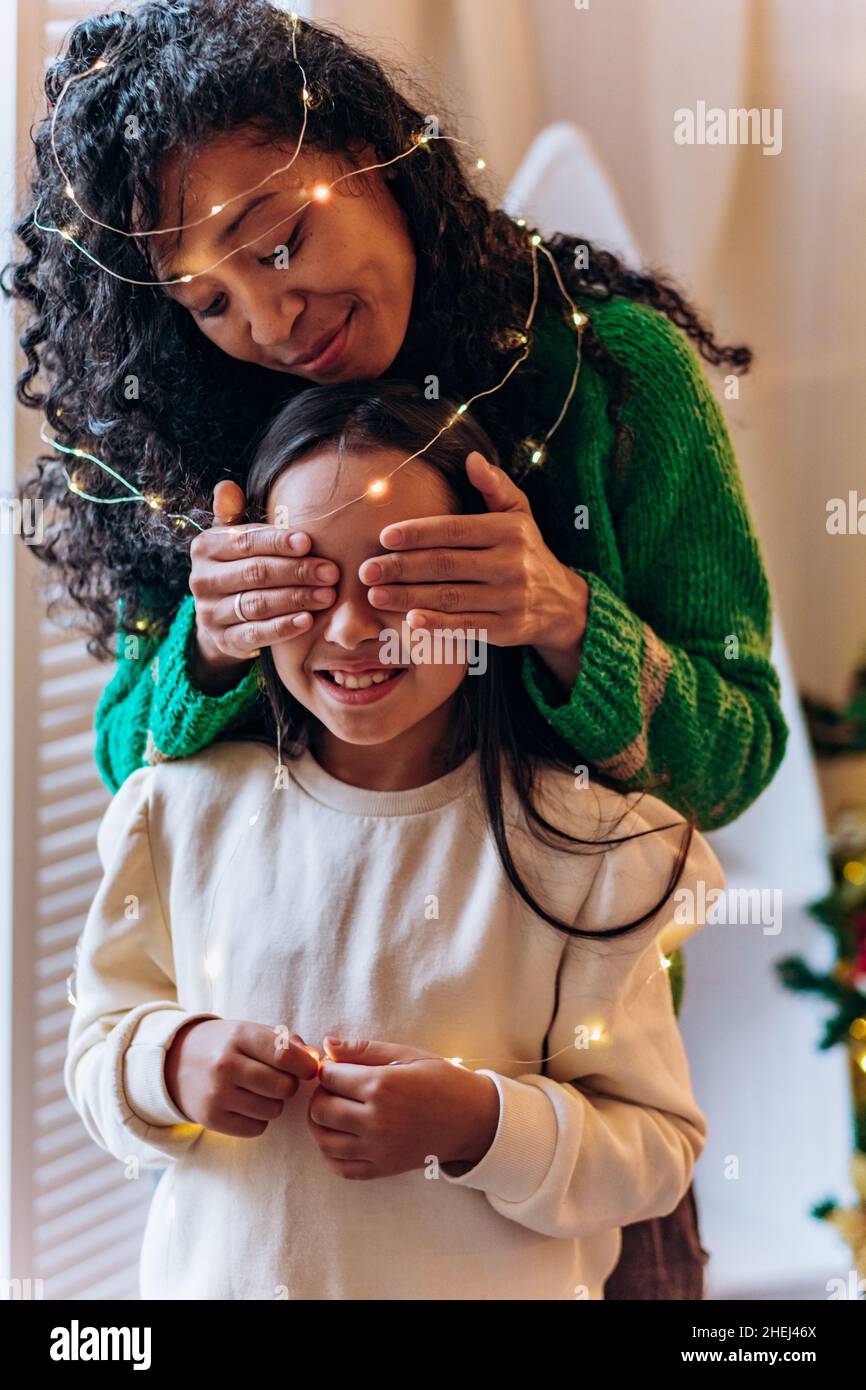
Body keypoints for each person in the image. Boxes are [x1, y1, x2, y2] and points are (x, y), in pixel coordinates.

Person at [4, 0, 785, 1297]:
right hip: (274, 1171)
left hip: (557, 1107)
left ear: (376, 150)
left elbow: (735, 755)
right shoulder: (207, 435)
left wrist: (561, 618)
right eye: (208, 296)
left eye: (281, 239)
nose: (268, 313)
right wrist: (208, 647)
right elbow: (130, 782)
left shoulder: (607, 377)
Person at [65, 383, 724, 1300]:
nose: (349, 630)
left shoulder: (584, 854)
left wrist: (480, 1125)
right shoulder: (181, 812)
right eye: (309, 582)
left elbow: (655, 1150)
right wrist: (168, 1065)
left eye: (398, 582)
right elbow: (96, 1049)